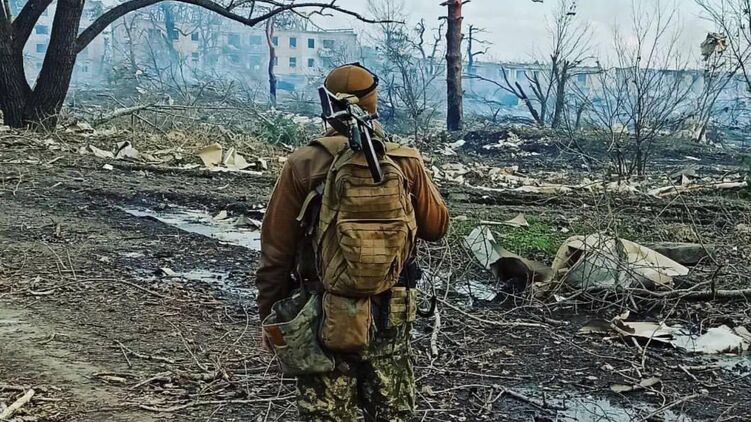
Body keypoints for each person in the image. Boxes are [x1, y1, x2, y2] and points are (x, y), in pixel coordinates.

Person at [256, 63, 449, 422]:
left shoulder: (303, 163)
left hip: (321, 314)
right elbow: (436, 227)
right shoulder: (405, 160)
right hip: (391, 312)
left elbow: (276, 251)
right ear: (374, 102)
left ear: (327, 105)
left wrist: (270, 316)